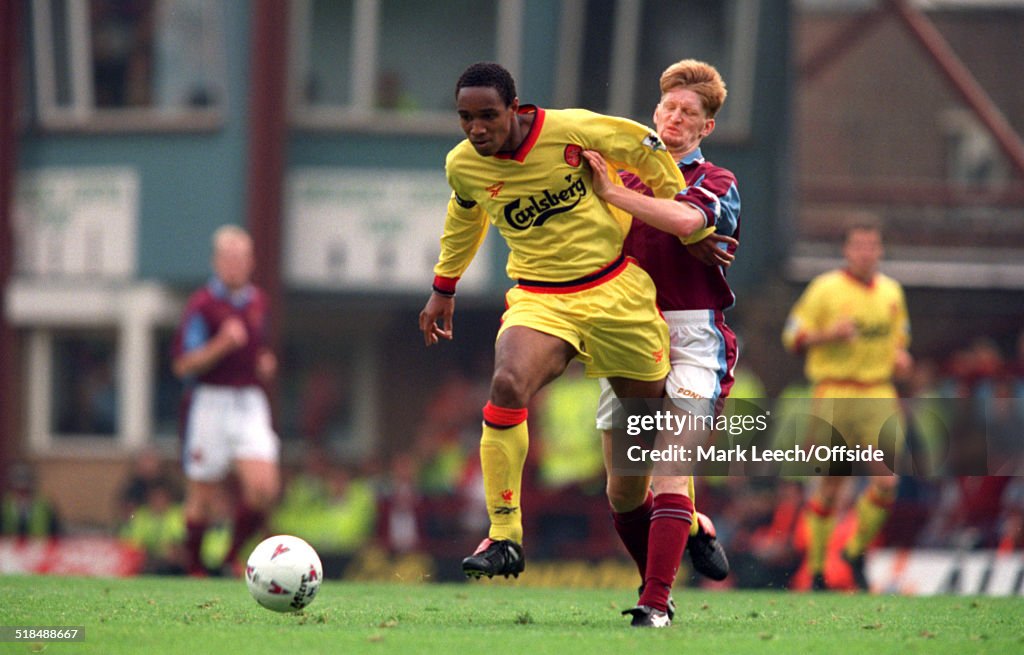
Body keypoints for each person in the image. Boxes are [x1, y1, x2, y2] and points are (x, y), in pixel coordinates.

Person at [418, 62, 703, 626]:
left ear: (515, 108)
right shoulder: (464, 165)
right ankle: (504, 535)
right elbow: (464, 216)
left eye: (487, 116)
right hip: (540, 298)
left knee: (639, 454)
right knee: (507, 382)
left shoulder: (572, 129)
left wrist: (683, 212)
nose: (476, 129)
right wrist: (443, 288)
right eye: (465, 118)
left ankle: (690, 530)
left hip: (616, 291)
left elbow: (644, 146)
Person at [587, 58, 739, 620]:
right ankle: (690, 529)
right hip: (627, 333)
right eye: (669, 107)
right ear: (654, 112)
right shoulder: (623, 173)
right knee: (625, 493)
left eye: (689, 113)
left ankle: (654, 606)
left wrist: (613, 195)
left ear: (706, 128)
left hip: (693, 335)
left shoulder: (716, 181)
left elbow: (685, 221)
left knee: (674, 467)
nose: (675, 118)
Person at [782, 219, 912, 591]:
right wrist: (827, 334)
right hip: (835, 390)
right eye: (859, 246)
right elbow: (792, 336)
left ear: (880, 250)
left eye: (872, 246)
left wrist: (902, 357)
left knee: (887, 481)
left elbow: (900, 338)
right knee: (830, 486)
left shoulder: (892, 292)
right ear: (846, 250)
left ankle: (855, 551)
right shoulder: (825, 289)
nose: (866, 253)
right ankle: (819, 570)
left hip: (877, 391)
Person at [172, 224, 280, 576]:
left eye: (241, 258)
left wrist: (262, 359)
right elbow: (183, 364)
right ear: (216, 262)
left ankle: (228, 557)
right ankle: (194, 567)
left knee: (264, 487)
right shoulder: (203, 305)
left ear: (251, 262)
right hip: (210, 401)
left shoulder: (257, 301)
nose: (234, 265)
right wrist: (221, 344)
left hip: (248, 399)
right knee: (202, 496)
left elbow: (255, 347)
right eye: (228, 257)